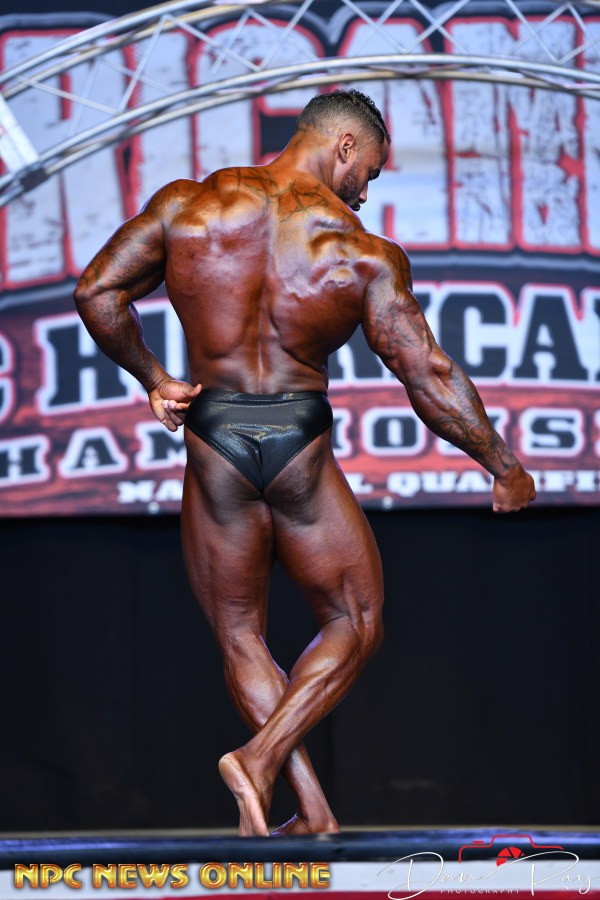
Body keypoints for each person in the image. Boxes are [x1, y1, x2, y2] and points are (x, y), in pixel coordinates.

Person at [73, 89, 535, 837]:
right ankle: (262, 765)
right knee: (356, 618)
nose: (366, 191)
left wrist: (155, 378)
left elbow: (97, 291)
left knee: (239, 632)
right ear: (344, 145)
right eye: (369, 173)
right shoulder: (361, 253)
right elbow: (427, 373)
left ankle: (305, 804)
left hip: (214, 435)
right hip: (298, 438)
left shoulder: (188, 206)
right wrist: (502, 464)